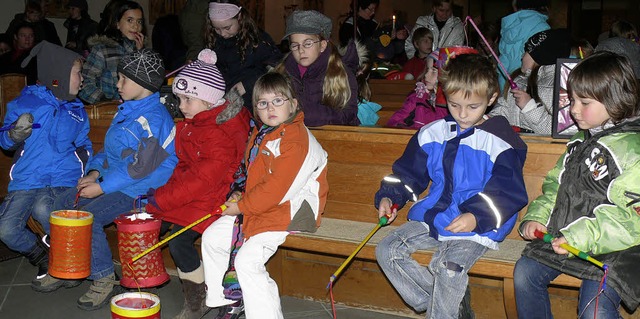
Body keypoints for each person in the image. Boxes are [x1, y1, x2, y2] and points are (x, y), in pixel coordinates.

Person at [374, 53, 528, 318]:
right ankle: (448, 306)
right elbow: (409, 173)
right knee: (387, 249)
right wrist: (392, 197)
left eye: (473, 107)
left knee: (448, 268)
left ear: (491, 99)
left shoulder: (501, 141)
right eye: (455, 105)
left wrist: (475, 216)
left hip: (478, 224)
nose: (463, 114)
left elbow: (507, 192)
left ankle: (444, 311)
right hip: (433, 214)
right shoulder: (433, 132)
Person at [43, 49, 178, 311]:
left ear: (141, 83)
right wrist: (94, 172)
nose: (117, 85)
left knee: (88, 218)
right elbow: (110, 152)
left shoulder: (155, 119)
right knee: (60, 204)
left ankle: (103, 278)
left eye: (122, 79)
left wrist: (101, 187)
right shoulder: (126, 111)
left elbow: (139, 168)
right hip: (117, 182)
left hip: (140, 191)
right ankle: (69, 266)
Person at [514, 51, 640, 319]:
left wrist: (579, 235)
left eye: (584, 102)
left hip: (617, 250)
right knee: (525, 273)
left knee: (595, 311)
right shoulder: (580, 141)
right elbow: (555, 188)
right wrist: (537, 218)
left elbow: (632, 219)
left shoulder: (632, 149)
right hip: (568, 237)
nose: (572, 109)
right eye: (572, 100)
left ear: (615, 100)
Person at [201, 72, 328, 319]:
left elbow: (277, 189)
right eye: (262, 103)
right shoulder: (264, 133)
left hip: (294, 211)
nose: (270, 108)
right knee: (212, 237)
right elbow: (252, 175)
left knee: (247, 261)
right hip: (263, 206)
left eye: (278, 101)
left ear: (293, 104)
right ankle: (229, 300)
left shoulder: (296, 141)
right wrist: (238, 193)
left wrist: (241, 207)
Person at [144, 48, 251, 319]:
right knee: (150, 224)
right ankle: (148, 282)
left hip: (217, 197)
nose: (181, 106)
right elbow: (184, 167)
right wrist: (162, 193)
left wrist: (164, 198)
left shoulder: (218, 133)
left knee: (178, 241)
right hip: (197, 192)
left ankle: (198, 298)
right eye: (179, 98)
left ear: (209, 100)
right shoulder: (197, 122)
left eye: (187, 99)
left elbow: (204, 179)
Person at [0, 41, 91, 293]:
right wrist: (15, 135)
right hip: (27, 179)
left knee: (44, 209)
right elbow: (5, 139)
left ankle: (70, 262)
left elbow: (83, 145)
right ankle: (43, 257)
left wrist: (84, 168)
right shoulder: (24, 103)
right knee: (5, 229)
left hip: (62, 178)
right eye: (77, 73)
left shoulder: (76, 110)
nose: (82, 79)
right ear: (58, 75)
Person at [275, 10, 362, 126]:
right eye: (295, 45)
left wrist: (304, 113)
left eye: (307, 43)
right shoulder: (282, 73)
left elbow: (348, 114)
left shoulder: (341, 73)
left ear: (322, 45)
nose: (301, 50)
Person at [489, 29, 571, 135]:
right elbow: (504, 108)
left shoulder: (560, 88)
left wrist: (530, 107)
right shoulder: (518, 80)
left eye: (526, 52)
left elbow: (558, 131)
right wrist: (489, 119)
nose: (522, 56)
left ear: (540, 56)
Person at [205, 0, 282, 110]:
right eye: (216, 29)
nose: (223, 34)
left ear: (240, 17)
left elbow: (277, 68)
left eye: (227, 28)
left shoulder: (258, 40)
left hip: (254, 103)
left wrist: (247, 85)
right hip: (224, 103)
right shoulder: (214, 40)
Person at [79, 0, 146, 104]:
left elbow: (146, 83)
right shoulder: (103, 50)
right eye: (130, 20)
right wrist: (106, 102)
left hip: (135, 109)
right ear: (117, 24)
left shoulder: (140, 50)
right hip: (108, 110)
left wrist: (140, 53)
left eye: (139, 21)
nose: (135, 26)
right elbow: (85, 83)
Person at [497, 0, 550, 91]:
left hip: (506, 83)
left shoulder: (509, 26)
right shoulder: (542, 27)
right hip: (527, 84)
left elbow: (503, 60)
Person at [388, 50, 447, 128]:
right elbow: (396, 119)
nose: (426, 75)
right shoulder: (418, 97)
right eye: (427, 70)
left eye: (433, 71)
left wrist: (440, 99)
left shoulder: (452, 101)